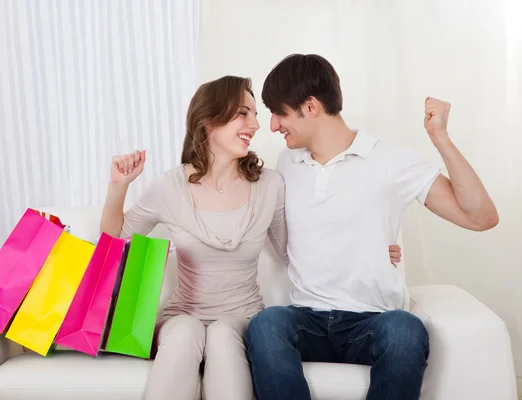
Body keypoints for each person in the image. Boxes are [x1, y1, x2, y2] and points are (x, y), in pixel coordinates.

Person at [100, 75, 403, 400]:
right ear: (208, 121)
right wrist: (119, 185)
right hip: (183, 316)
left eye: (255, 114)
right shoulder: (169, 187)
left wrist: (368, 246)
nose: (256, 124)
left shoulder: (269, 186)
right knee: (186, 331)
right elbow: (113, 240)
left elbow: (297, 251)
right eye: (243, 113)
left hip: (242, 318)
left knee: (221, 333)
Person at [245, 54, 499, 400]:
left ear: (310, 107)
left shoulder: (390, 159)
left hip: (371, 322)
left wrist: (439, 137)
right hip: (307, 320)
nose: (272, 125)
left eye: (279, 113)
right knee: (266, 325)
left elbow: (480, 217)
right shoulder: (287, 163)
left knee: (405, 329)